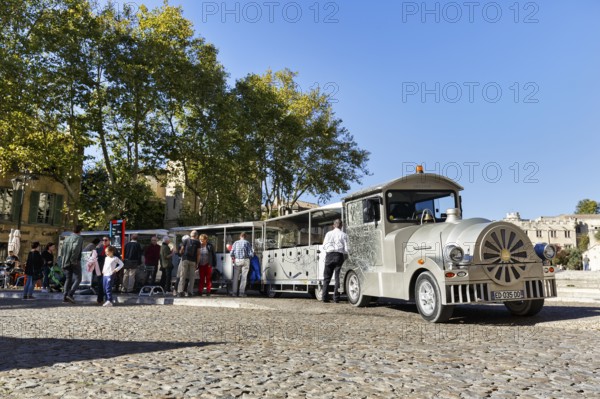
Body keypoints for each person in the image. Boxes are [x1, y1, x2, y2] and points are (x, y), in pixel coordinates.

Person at [321, 219, 349, 303]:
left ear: (333, 225)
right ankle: (336, 298)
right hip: (338, 256)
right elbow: (347, 249)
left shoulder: (328, 234)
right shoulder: (344, 235)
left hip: (329, 256)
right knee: (338, 278)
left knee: (326, 278)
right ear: (341, 225)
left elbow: (324, 246)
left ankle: (324, 297)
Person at [60, 225, 84, 304]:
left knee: (68, 279)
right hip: (74, 261)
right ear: (80, 231)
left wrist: (63, 260)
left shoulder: (67, 238)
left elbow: (62, 250)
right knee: (78, 278)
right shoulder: (79, 238)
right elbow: (76, 249)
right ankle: (70, 294)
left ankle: (65, 296)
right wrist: (74, 260)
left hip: (65, 261)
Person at [230, 232, 254, 297]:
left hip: (237, 260)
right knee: (244, 277)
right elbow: (251, 253)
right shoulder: (247, 243)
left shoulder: (235, 243)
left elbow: (231, 253)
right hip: (245, 260)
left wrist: (234, 256)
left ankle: (234, 293)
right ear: (245, 236)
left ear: (240, 236)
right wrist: (250, 257)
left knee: (235, 277)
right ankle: (241, 293)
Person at [178, 231, 200, 297]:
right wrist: (197, 263)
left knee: (183, 276)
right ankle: (190, 292)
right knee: (192, 277)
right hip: (193, 261)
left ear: (190, 235)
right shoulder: (198, 242)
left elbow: (182, 250)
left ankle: (180, 291)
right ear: (196, 236)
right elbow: (198, 254)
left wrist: (181, 254)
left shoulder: (186, 241)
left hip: (185, 259)